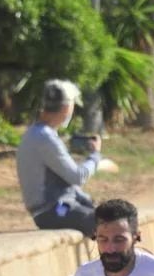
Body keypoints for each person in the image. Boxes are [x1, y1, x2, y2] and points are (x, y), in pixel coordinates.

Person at [16, 79, 102, 237]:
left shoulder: (36, 133)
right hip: (53, 211)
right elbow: (78, 176)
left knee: (110, 216)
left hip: (54, 208)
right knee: (110, 226)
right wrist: (95, 156)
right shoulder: (45, 137)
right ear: (66, 107)